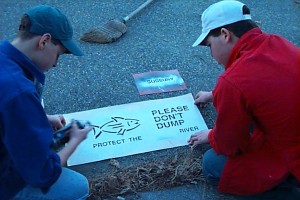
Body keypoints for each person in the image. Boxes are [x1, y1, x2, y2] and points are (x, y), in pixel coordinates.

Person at [188, 0, 300, 199]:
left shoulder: (232, 82)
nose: (211, 53)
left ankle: (288, 191)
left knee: (212, 163)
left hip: (292, 157)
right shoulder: (277, 42)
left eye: (209, 45)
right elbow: (266, 81)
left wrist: (211, 135)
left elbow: (230, 145)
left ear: (225, 34)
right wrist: (215, 94)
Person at [0, 5, 94, 199]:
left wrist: (41, 116)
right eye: (58, 54)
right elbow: (43, 174)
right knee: (78, 187)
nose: (55, 64)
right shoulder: (20, 92)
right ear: (44, 41)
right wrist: (75, 140)